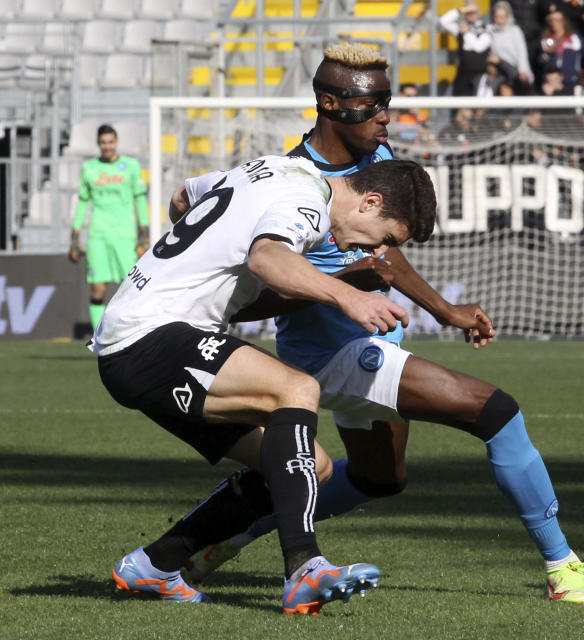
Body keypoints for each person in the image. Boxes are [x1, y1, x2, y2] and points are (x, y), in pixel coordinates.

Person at [171, 43, 584, 604]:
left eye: (386, 104)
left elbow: (383, 257)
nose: (384, 118)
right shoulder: (294, 185)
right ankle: (563, 565)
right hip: (333, 353)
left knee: (380, 479)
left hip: (370, 339)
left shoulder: (372, 158)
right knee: (496, 412)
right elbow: (253, 269)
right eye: (372, 106)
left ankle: (213, 541)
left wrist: (443, 310)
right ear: (329, 103)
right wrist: (344, 288)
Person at [96, 155, 436, 615]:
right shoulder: (308, 201)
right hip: (149, 335)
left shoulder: (273, 168)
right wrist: (347, 294)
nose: (377, 251)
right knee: (296, 389)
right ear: (370, 203)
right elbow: (266, 256)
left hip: (140, 338)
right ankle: (304, 568)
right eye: (387, 238)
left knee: (308, 466)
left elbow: (184, 197)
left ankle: (156, 564)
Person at [68, 124, 148, 332]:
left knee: (130, 287)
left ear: (117, 142)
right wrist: (75, 234)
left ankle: (132, 332)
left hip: (125, 235)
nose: (107, 147)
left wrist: (144, 233)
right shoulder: (90, 168)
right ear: (98, 144)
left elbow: (140, 200)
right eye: (103, 143)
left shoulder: (130, 166)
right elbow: (83, 202)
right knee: (97, 287)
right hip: (98, 235)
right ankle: (99, 337)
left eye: (110, 142)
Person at [439, 2, 493, 96]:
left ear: (479, 13)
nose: (470, 15)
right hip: (463, 74)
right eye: (468, 12)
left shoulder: (487, 28)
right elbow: (443, 20)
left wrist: (466, 33)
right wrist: (462, 10)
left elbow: (479, 47)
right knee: (459, 105)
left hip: (481, 75)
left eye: (473, 12)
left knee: (478, 106)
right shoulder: (460, 28)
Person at [490, 0, 534, 92]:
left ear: (508, 16)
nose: (499, 20)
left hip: (516, 72)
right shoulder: (491, 31)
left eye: (502, 17)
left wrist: (523, 70)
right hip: (500, 73)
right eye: (497, 16)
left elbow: (522, 52)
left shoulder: (515, 30)